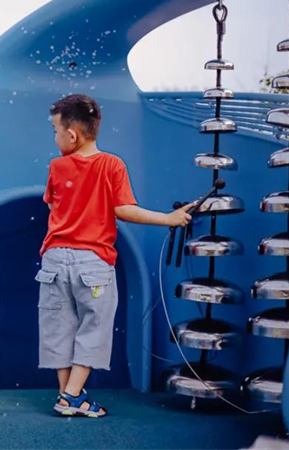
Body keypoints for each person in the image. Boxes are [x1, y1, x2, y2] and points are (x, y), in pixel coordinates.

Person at [39, 94, 192, 418]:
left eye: (55, 130)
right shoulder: (112, 164)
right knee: (93, 328)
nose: (54, 138)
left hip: (54, 260)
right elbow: (124, 210)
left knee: (58, 328)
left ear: (72, 135)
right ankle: (71, 396)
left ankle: (68, 396)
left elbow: (54, 206)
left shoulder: (56, 167)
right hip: (92, 263)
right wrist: (168, 218)